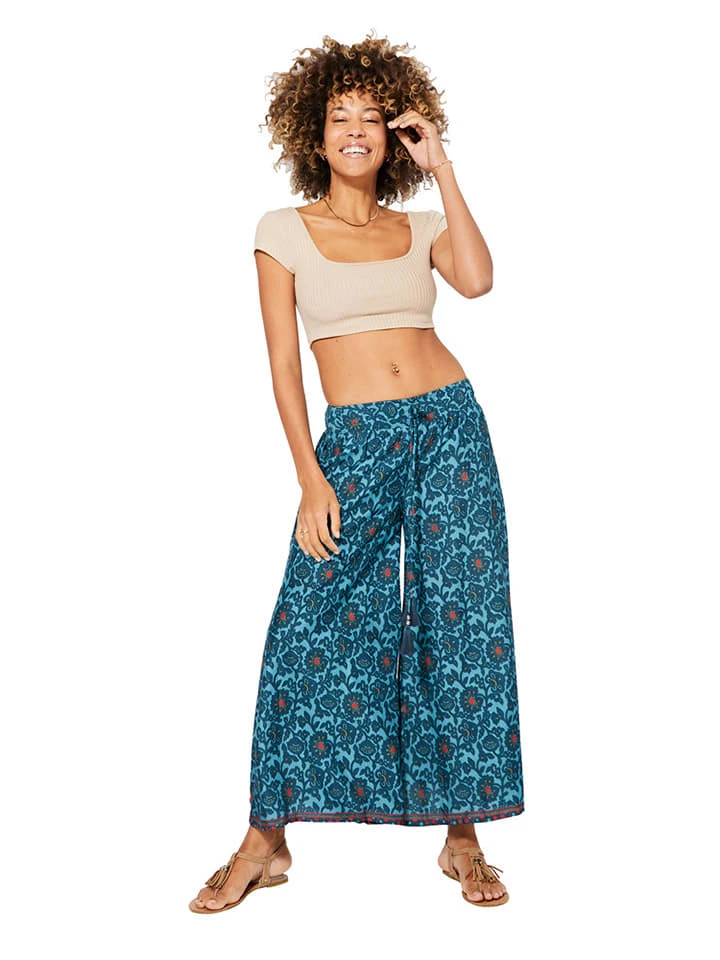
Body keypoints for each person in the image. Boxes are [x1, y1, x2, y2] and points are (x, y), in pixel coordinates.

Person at [190, 32, 524, 913]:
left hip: (450, 427)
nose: (356, 131)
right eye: (340, 116)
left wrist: (442, 167)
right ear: (314, 131)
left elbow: (478, 281)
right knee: (306, 622)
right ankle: (265, 839)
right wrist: (311, 477)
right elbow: (283, 366)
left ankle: (464, 837)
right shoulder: (281, 231)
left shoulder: (419, 228)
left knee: (461, 625)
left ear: (393, 137)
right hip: (355, 443)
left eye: (373, 118)